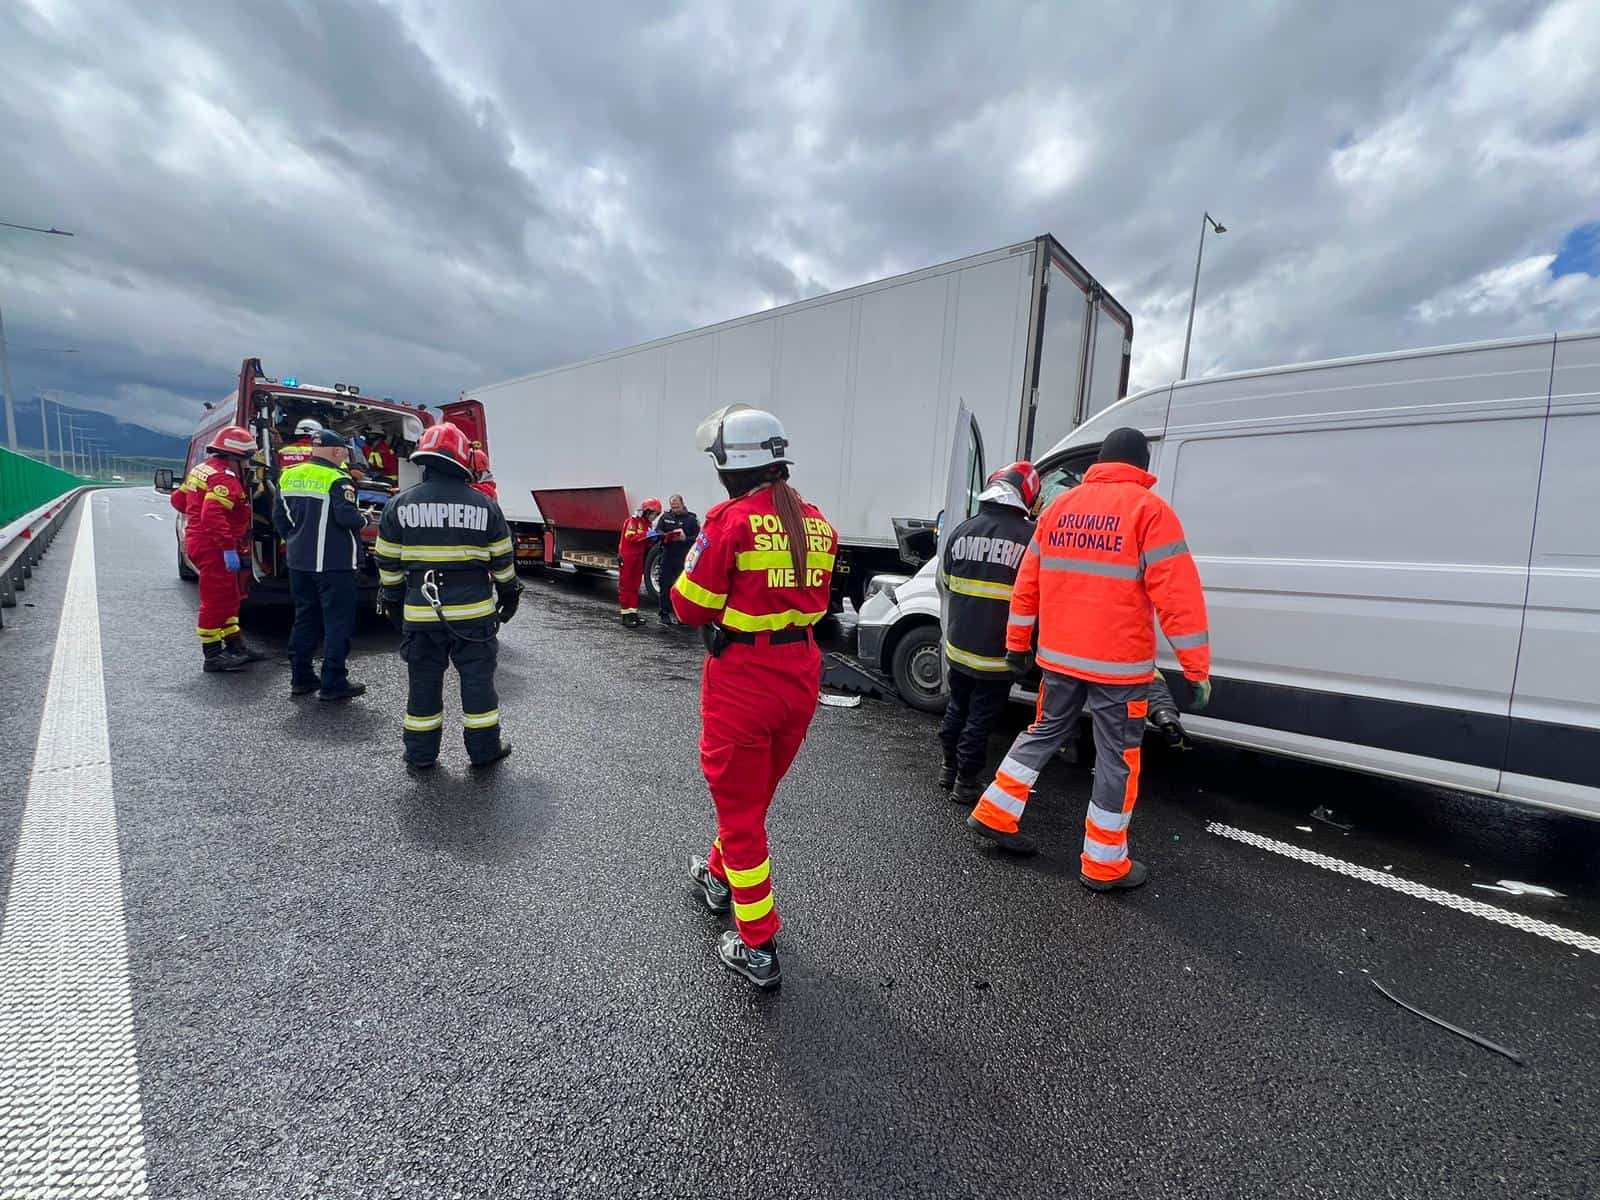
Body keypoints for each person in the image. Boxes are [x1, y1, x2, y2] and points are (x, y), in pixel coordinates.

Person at [966, 428, 1211, 889]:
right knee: (1117, 758)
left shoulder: (1059, 507)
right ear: (1141, 466)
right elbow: (1178, 598)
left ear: (1101, 461)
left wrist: (1017, 645)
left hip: (1058, 658)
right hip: (1118, 669)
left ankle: (995, 811)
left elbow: (1028, 585)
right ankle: (1103, 862)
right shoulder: (1150, 512)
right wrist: (1196, 667)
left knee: (1043, 731)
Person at [673, 404, 837, 990]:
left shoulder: (729, 521)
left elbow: (687, 605)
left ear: (729, 465)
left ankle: (756, 941)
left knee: (742, 815)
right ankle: (720, 877)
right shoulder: (818, 523)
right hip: (800, 677)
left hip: (743, 679)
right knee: (753, 798)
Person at [374, 421, 521, 772]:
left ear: (425, 459)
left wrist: (395, 602)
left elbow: (387, 563)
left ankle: (421, 753)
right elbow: (503, 561)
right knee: (477, 683)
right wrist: (508, 596)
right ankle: (483, 751)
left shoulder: (398, 506)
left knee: (423, 683)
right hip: (474, 616)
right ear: (462, 461)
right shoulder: (485, 506)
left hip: (422, 613)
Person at [936, 461, 1041, 802]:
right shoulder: (1031, 538)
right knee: (980, 719)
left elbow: (947, 585)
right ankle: (966, 782)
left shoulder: (962, 530)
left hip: (959, 647)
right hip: (1000, 654)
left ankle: (948, 767)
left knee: (957, 708)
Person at [273, 431, 368, 701]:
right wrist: (364, 518)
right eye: (345, 452)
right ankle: (333, 680)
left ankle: (301, 677)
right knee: (338, 622)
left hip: (299, 562)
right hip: (334, 563)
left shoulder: (289, 475)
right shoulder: (339, 479)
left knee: (305, 618)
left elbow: (280, 517)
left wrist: (294, 540)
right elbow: (348, 518)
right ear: (337, 452)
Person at [171, 425, 262, 672]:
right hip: (214, 546)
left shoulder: (200, 470)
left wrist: (196, 517)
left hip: (203, 541)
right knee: (215, 599)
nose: (248, 465)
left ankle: (235, 645)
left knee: (230, 597)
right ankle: (212, 654)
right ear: (235, 457)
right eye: (246, 460)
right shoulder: (225, 479)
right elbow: (212, 515)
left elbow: (178, 500)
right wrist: (227, 547)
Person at [654, 494, 699, 625]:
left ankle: (681, 615)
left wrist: (685, 539)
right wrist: (665, 536)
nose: (675, 509)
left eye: (677, 507)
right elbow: (657, 531)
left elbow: (698, 538)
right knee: (665, 585)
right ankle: (664, 614)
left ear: (683, 504)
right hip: (668, 556)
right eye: (673, 507)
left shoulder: (691, 519)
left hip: (684, 558)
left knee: (682, 588)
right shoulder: (666, 517)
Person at [617, 497, 662, 627]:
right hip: (628, 557)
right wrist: (647, 535)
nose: (654, 517)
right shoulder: (633, 521)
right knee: (626, 586)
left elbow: (645, 543)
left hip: (638, 557)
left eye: (656, 515)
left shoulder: (647, 524)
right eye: (654, 514)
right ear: (647, 511)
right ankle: (626, 616)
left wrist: (655, 538)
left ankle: (633, 614)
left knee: (635, 586)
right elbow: (630, 537)